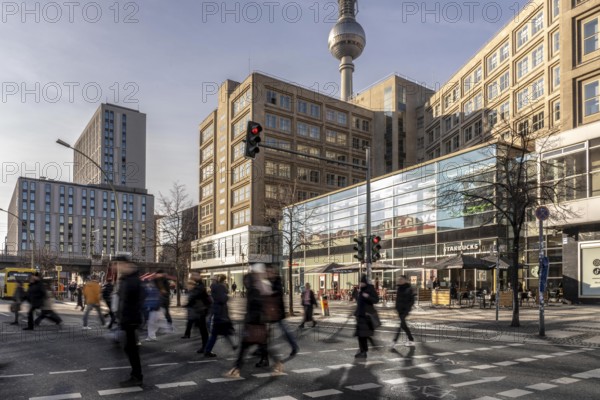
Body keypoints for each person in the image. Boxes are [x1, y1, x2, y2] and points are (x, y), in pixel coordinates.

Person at [224, 263, 282, 378]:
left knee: (257, 346)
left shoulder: (261, 286)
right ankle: (237, 369)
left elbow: (260, 304)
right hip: (253, 321)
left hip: (257, 322)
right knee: (253, 346)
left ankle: (277, 363)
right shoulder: (258, 285)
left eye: (254, 273)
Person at [256, 264, 299, 367]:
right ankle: (261, 351)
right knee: (265, 333)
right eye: (267, 272)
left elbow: (277, 294)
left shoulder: (277, 281)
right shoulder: (269, 281)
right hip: (270, 312)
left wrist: (268, 292)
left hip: (277, 312)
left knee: (285, 331)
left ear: (274, 272)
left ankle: (294, 346)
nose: (268, 273)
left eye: (270, 272)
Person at [117, 255, 145, 387]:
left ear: (126, 264)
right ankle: (136, 375)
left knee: (131, 349)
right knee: (129, 348)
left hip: (131, 319)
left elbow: (137, 300)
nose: (117, 267)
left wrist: (132, 318)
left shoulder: (133, 280)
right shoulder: (127, 279)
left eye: (119, 264)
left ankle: (137, 376)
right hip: (128, 319)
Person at [204, 275, 236, 357]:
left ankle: (232, 345)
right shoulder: (220, 288)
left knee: (218, 333)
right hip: (220, 313)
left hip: (219, 313)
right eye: (225, 281)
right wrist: (227, 297)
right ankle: (208, 350)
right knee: (219, 333)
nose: (225, 282)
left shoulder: (215, 288)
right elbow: (222, 299)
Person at [181, 279, 211, 354]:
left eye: (189, 285)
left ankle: (206, 348)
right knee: (203, 331)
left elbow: (196, 301)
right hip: (200, 313)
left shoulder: (197, 291)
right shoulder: (194, 291)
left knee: (206, 331)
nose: (187, 286)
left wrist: (187, 305)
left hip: (202, 313)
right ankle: (205, 348)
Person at [354, 274, 379, 358]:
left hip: (366, 316)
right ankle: (364, 351)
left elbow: (376, 300)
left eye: (362, 282)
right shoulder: (360, 290)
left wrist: (368, 296)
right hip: (360, 315)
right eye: (360, 282)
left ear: (365, 282)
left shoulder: (370, 289)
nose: (360, 284)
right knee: (361, 335)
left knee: (362, 335)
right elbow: (359, 302)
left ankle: (363, 352)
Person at [391, 275, 415, 348]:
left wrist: (407, 308)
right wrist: (396, 307)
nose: (399, 281)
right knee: (403, 325)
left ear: (405, 280)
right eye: (399, 279)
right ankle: (411, 340)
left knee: (401, 325)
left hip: (405, 310)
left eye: (401, 279)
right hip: (399, 310)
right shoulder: (399, 288)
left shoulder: (409, 289)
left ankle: (394, 341)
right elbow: (398, 299)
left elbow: (412, 300)